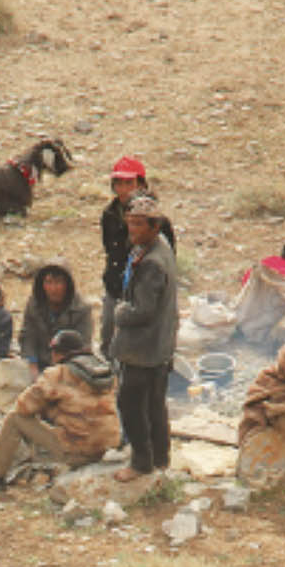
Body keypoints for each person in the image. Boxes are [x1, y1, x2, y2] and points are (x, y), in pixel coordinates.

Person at [0, 329, 119, 490]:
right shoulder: (105, 372)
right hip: (106, 448)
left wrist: (47, 408)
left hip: (76, 451)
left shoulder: (59, 373)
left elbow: (23, 407)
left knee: (14, 419)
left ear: (59, 353)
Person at [109, 193, 178, 481]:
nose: (132, 230)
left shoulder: (152, 263)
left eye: (138, 225)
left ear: (154, 226)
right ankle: (161, 458)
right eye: (130, 224)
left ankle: (140, 462)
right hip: (160, 344)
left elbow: (142, 311)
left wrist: (119, 312)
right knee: (155, 403)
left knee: (131, 404)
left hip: (143, 347)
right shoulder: (160, 248)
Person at [100, 156, 175, 357]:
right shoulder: (109, 214)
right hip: (116, 284)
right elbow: (110, 250)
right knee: (108, 337)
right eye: (119, 183)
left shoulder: (157, 221)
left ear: (141, 184)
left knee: (140, 342)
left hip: (143, 287)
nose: (124, 189)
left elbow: (167, 259)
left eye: (129, 183)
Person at [18, 263, 92, 376]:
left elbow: (83, 346)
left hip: (69, 367)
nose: (53, 288)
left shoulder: (81, 309)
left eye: (58, 282)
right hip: (39, 362)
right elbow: (28, 336)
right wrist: (32, 364)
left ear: (67, 284)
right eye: (48, 282)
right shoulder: (34, 304)